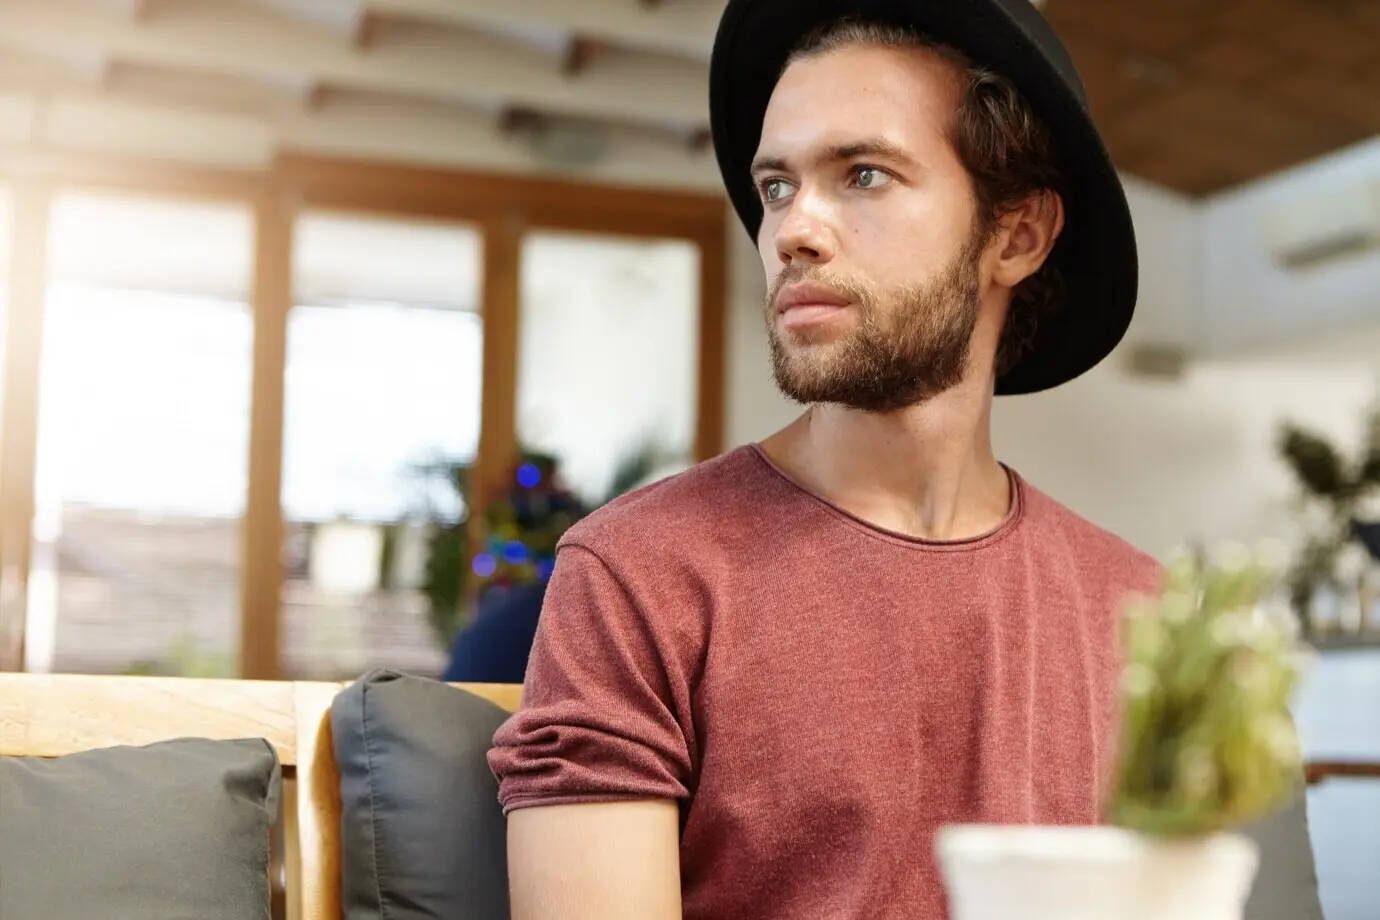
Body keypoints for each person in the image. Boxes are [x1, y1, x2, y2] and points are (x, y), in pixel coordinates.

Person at [487, 2, 1162, 918]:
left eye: (865, 175)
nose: (794, 229)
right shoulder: (641, 576)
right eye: (775, 188)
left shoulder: (1138, 613)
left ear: (1018, 235)